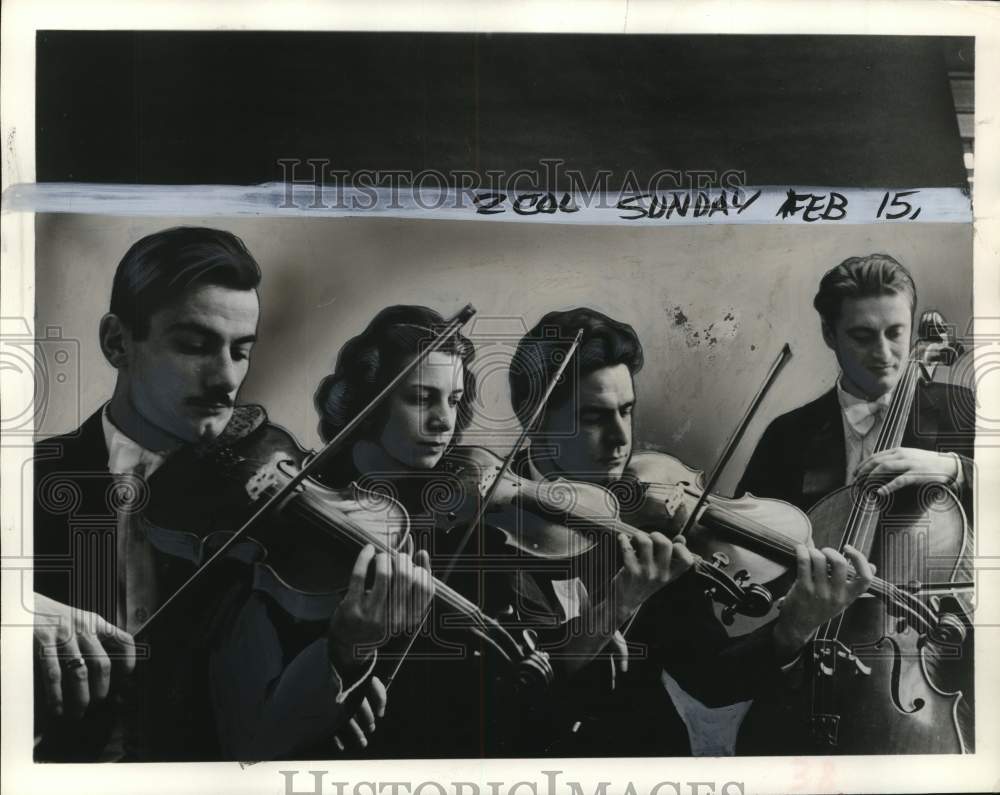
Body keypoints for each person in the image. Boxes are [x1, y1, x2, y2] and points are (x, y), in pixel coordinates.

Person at [33, 227, 431, 762]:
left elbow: (264, 735)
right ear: (116, 342)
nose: (226, 379)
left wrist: (348, 653)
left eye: (241, 352)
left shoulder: (273, 529)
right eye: (195, 346)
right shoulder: (29, 477)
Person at [506, 307, 875, 756]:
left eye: (626, 411)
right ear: (535, 418)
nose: (621, 439)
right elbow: (505, 708)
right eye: (593, 417)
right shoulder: (494, 532)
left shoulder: (646, 520)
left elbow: (711, 678)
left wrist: (791, 629)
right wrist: (617, 605)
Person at [734, 253, 975, 753]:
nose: (885, 353)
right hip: (808, 659)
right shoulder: (789, 435)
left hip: (929, 662)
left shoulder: (961, 412)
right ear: (830, 335)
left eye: (896, 332)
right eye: (862, 336)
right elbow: (747, 558)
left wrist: (954, 468)